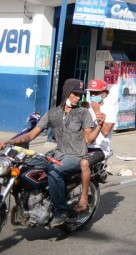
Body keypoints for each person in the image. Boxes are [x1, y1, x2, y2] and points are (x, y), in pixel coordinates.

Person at [0, 79, 97, 227]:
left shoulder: (83, 113)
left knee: (54, 172)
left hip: (76, 155)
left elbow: (89, 138)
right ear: (67, 93)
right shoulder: (53, 114)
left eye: (80, 95)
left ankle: (60, 211)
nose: (78, 97)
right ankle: (26, 203)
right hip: (57, 154)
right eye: (75, 94)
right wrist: (9, 142)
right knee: (25, 165)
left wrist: (99, 125)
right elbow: (31, 135)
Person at [78, 79, 117, 212]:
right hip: (83, 144)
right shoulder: (86, 107)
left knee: (84, 163)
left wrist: (97, 111)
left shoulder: (110, 108)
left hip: (100, 148)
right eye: (91, 93)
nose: (93, 96)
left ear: (104, 94)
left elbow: (105, 132)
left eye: (96, 93)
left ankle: (84, 198)